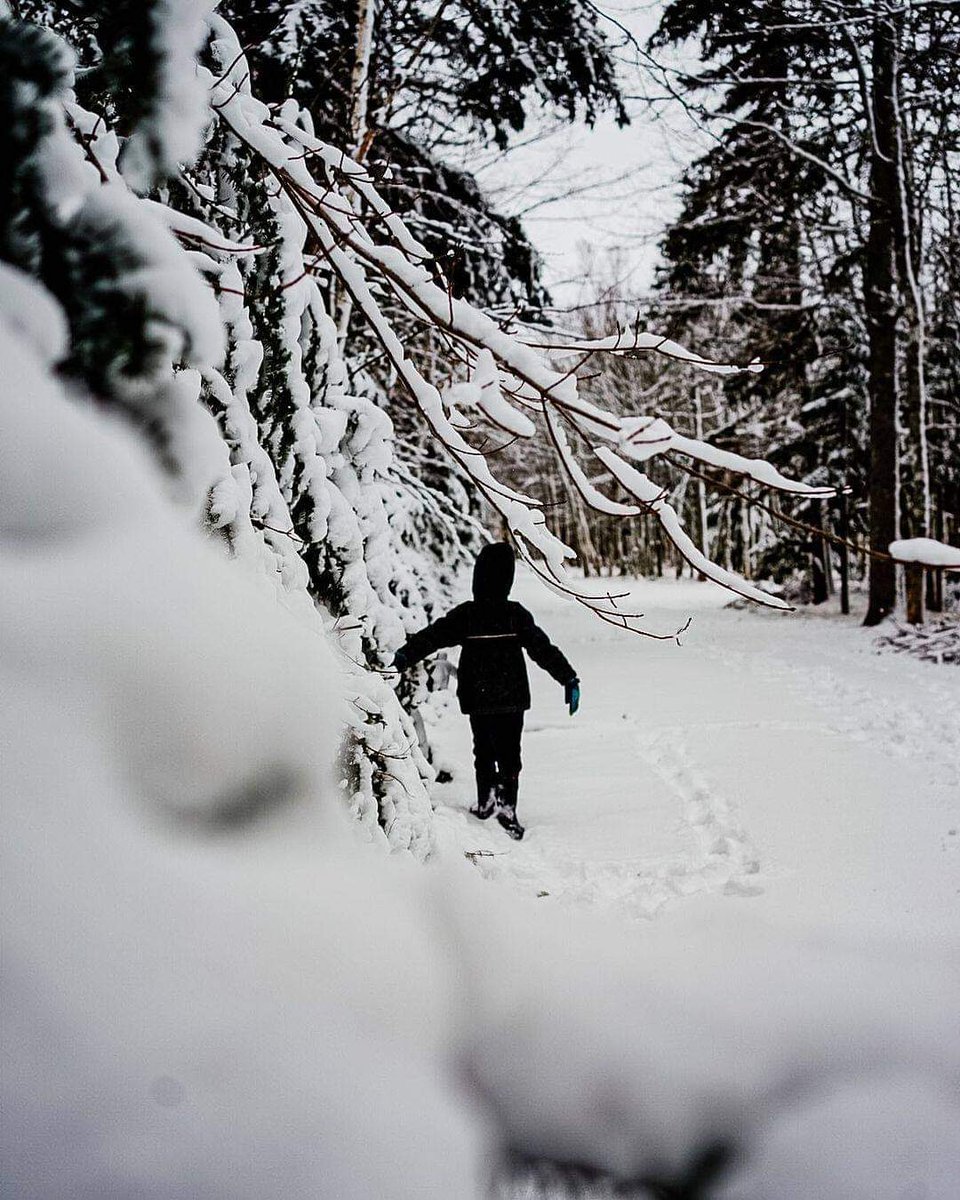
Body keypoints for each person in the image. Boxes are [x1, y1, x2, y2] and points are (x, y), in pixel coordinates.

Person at [392, 542, 579, 841]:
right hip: (511, 699)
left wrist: (404, 656)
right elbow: (543, 649)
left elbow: (432, 637)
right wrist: (568, 678)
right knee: (509, 754)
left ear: (478, 578)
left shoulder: (468, 615)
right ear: (508, 579)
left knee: (484, 751)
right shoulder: (515, 615)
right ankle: (506, 809)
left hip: (478, 698)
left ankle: (487, 802)